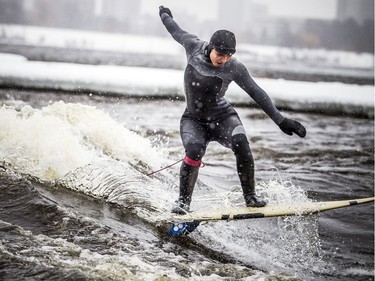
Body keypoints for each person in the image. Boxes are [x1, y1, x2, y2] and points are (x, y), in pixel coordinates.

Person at [159, 6, 306, 214]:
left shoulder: (234, 67)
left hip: (222, 117)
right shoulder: (193, 46)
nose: (224, 60)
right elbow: (176, 30)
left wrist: (281, 121)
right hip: (193, 119)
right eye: (220, 54)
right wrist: (165, 15)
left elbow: (257, 92)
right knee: (193, 151)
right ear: (211, 47)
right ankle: (183, 203)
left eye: (228, 56)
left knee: (241, 143)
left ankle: (250, 197)